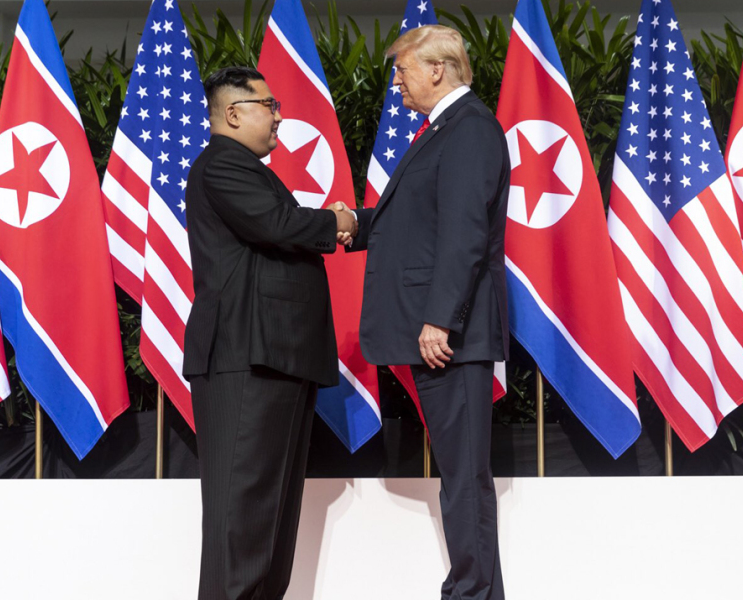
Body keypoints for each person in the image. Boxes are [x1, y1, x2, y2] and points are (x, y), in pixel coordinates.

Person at [344, 25, 510, 600]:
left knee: (463, 478)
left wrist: (441, 318)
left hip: (452, 335)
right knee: (460, 476)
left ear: (437, 69)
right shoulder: (445, 129)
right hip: (440, 330)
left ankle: (470, 592)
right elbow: (414, 222)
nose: (397, 82)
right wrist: (351, 224)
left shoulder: (469, 130)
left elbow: (464, 235)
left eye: (402, 70)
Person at [183, 66, 356, 600]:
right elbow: (278, 226)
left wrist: (358, 222)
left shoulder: (244, 168)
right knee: (243, 522)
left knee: (270, 522)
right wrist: (339, 223)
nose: (279, 116)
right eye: (269, 104)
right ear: (233, 114)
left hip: (274, 357)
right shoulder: (223, 165)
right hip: (245, 358)